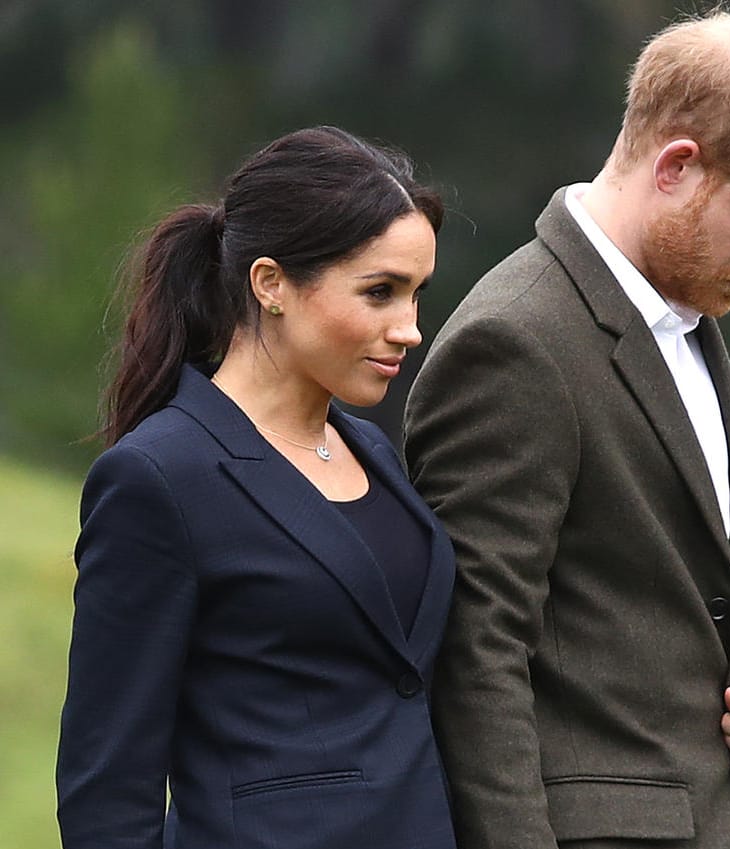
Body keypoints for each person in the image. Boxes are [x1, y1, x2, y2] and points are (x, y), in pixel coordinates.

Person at [403, 9, 730, 849]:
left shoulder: (681, 314)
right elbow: (475, 655)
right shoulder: (515, 342)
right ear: (677, 165)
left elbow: (697, 583)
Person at [56, 126, 456, 849]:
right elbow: (107, 783)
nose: (409, 329)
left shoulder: (371, 451)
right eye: (380, 292)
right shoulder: (158, 477)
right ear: (270, 283)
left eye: (416, 294)